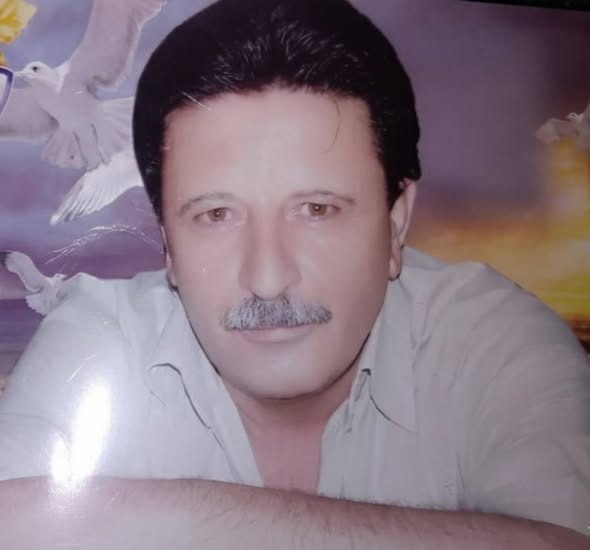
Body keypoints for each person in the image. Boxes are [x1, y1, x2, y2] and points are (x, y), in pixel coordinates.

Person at [0, 0, 589, 547]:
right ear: (168, 247)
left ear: (396, 224)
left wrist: (122, 515)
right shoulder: (97, 339)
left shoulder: (495, 341)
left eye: (317, 209)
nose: (268, 277)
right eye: (216, 215)